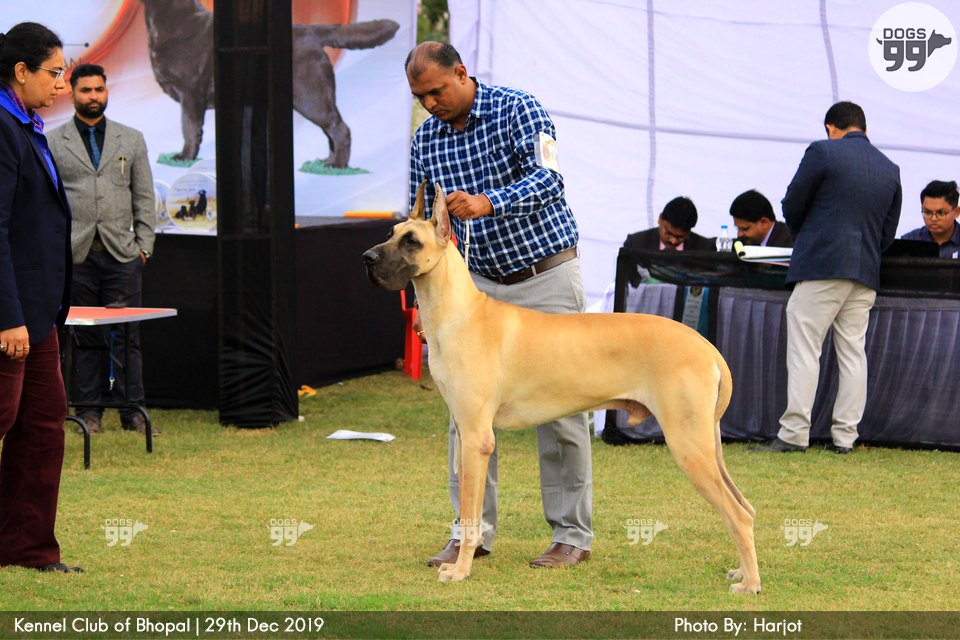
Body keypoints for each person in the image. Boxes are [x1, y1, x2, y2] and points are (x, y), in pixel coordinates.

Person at [406, 42, 592, 569]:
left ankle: (571, 536)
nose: (431, 103)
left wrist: (490, 202)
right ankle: (471, 534)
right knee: (464, 416)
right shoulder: (424, 140)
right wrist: (426, 310)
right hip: (475, 289)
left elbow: (550, 179)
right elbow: (417, 219)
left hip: (546, 275)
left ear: (462, 73)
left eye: (437, 91)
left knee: (562, 411)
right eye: (421, 97)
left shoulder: (520, 107)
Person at [757, 101, 901, 455]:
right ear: (863, 128)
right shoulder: (890, 168)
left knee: (806, 348)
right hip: (865, 270)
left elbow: (792, 204)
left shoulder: (823, 152)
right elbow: (888, 231)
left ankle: (794, 434)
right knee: (853, 353)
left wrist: (811, 236)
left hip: (822, 265)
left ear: (830, 127)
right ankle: (845, 438)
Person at [0, 22, 82, 573]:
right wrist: (7, 317)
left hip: (41, 313)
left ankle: (26, 551)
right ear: (20, 72)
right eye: (54, 73)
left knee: (43, 428)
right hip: (11, 318)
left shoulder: (28, 126)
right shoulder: (2, 128)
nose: (63, 85)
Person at [48, 63, 156, 435]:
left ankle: (133, 412)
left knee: (127, 337)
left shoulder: (131, 139)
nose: (93, 96)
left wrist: (144, 245)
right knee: (83, 337)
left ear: (106, 91)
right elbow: (49, 202)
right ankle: (89, 412)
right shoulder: (52, 141)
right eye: (86, 90)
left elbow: (144, 196)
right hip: (75, 256)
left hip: (122, 254)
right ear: (72, 93)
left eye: (99, 90)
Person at [622, 196, 716, 251]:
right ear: (660, 219)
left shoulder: (705, 249)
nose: (673, 241)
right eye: (668, 233)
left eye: (680, 237)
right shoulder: (636, 244)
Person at [901, 180, 959, 259]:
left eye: (941, 213)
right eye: (927, 212)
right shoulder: (909, 241)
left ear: (957, 212)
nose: (933, 218)